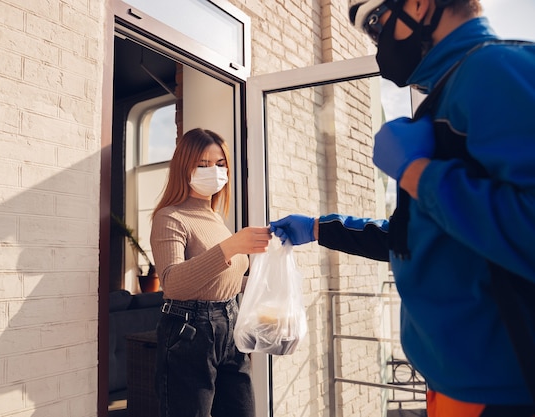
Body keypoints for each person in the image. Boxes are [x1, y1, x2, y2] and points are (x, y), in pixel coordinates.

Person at [270, 0, 535, 416]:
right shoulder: (451, 90)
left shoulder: (492, 71)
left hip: (502, 390)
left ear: (418, 4)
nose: (378, 46)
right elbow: (423, 238)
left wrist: (417, 173)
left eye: (376, 24)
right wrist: (320, 228)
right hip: (458, 383)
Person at [150, 127, 271, 417]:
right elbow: (173, 284)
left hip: (229, 323)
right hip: (190, 331)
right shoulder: (170, 217)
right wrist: (230, 247)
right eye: (203, 164)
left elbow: (216, 279)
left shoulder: (215, 216)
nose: (213, 171)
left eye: (219, 164)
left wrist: (258, 281)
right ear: (184, 167)